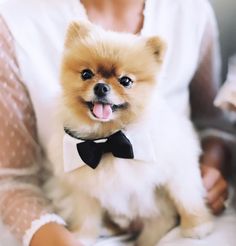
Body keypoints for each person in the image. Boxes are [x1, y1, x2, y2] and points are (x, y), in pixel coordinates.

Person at [0, 0, 234, 246]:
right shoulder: (14, 23)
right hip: (60, 226)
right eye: (87, 75)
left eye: (125, 81)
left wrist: (212, 167)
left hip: (168, 220)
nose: (102, 87)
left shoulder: (191, 11)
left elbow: (213, 121)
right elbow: (12, 179)